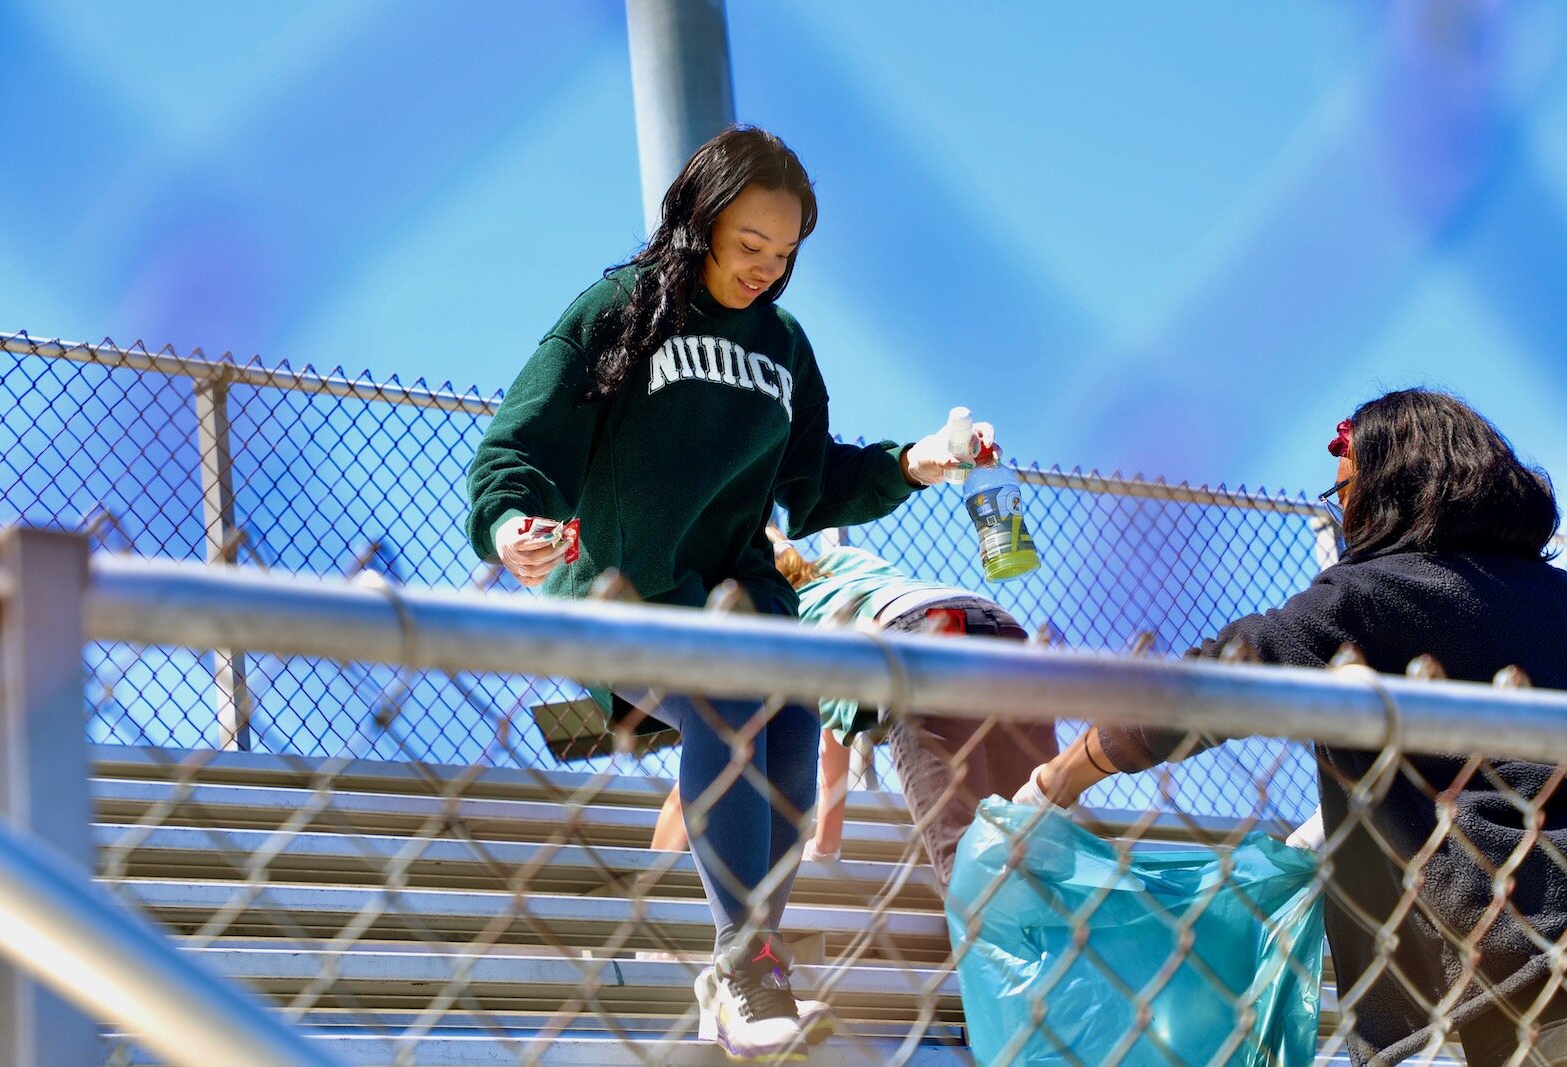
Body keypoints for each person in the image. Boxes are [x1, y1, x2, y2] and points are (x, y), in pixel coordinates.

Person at [465, 125, 993, 1061]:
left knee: (793, 735)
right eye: (750, 245)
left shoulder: (784, 347)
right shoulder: (619, 309)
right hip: (623, 596)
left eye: (784, 255)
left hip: (743, 600)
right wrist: (514, 528)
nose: (765, 269)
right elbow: (519, 443)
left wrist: (921, 460)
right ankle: (745, 954)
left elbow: (816, 480)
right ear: (701, 222)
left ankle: (750, 962)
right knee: (735, 691)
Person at [1015, 389, 1567, 1067]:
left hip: (1531, 949)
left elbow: (1216, 682)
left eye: (1346, 494)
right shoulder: (1555, 596)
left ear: (1391, 490)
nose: (1344, 515)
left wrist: (1057, 779)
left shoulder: (1372, 594)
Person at [652, 523, 1054, 897]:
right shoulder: (846, 563)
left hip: (917, 635)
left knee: (965, 867)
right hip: (990, 622)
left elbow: (827, 744)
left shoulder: (782, 619)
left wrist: (825, 848)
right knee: (1038, 843)